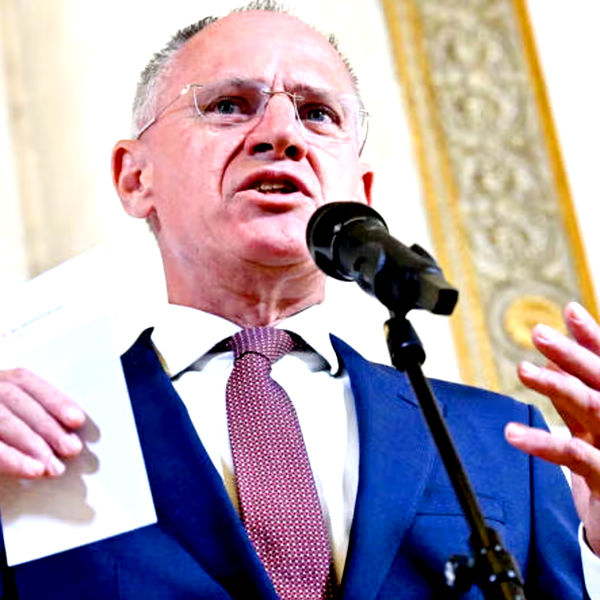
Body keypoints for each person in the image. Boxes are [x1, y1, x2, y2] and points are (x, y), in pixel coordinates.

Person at [0, 1, 594, 598]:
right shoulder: (34, 437)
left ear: (360, 191)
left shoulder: (505, 443)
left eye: (316, 114)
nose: (283, 135)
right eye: (229, 105)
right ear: (136, 178)